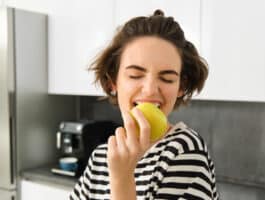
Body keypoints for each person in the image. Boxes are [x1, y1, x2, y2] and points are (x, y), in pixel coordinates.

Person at [70, 9, 219, 200]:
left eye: (166, 78)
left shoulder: (185, 150)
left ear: (181, 87)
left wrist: (122, 178)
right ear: (112, 82)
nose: (149, 90)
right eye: (135, 75)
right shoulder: (102, 156)